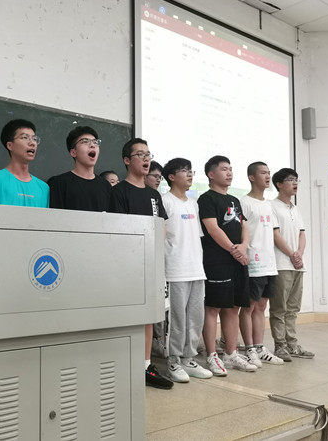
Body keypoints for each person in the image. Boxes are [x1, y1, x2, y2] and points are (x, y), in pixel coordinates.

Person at [109, 138, 173, 390]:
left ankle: (146, 365)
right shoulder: (118, 192)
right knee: (128, 316)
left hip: (152, 263)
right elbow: (119, 230)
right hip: (128, 265)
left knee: (148, 316)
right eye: (140, 155)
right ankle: (124, 364)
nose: (146, 159)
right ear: (127, 160)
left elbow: (162, 227)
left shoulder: (154, 194)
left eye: (148, 154)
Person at [197, 155, 257, 376]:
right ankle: (212, 355)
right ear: (211, 174)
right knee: (213, 308)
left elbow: (244, 226)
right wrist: (234, 250)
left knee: (234, 307)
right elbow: (213, 229)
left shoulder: (234, 200)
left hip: (237, 259)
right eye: (224, 169)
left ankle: (230, 353)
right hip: (217, 260)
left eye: (230, 169)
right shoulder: (206, 199)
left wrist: (244, 246)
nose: (229, 172)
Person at [161, 158, 212, 383]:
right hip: (175, 269)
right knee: (177, 319)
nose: (190, 174)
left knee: (195, 318)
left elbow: (196, 237)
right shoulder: (165, 201)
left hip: (196, 269)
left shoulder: (193, 203)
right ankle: (173, 360)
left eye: (191, 171)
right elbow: (163, 237)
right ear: (172, 177)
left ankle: (188, 359)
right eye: (184, 171)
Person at [239, 162, 284, 367]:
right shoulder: (244, 202)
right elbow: (242, 232)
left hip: (269, 263)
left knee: (262, 306)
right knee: (249, 306)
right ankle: (249, 349)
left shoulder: (269, 205)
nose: (267, 176)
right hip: (253, 262)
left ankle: (259, 347)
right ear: (252, 177)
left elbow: (273, 233)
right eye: (263, 173)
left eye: (269, 173)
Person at [269, 168, 314, 361]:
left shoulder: (295, 208)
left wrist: (299, 254)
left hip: (297, 265)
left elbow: (302, 233)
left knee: (293, 308)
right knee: (279, 308)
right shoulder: (272, 206)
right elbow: (275, 234)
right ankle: (280, 346)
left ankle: (292, 344)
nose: (295, 183)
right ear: (279, 184)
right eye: (290, 180)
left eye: (296, 180)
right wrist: (291, 254)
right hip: (281, 264)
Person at [0, 119, 49, 207]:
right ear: (10, 145)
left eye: (34, 139)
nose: (32, 143)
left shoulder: (43, 188)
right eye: (25, 137)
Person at [48, 126, 112, 211]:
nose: (92, 145)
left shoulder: (105, 186)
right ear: (73, 152)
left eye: (95, 142)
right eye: (85, 142)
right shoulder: (59, 183)